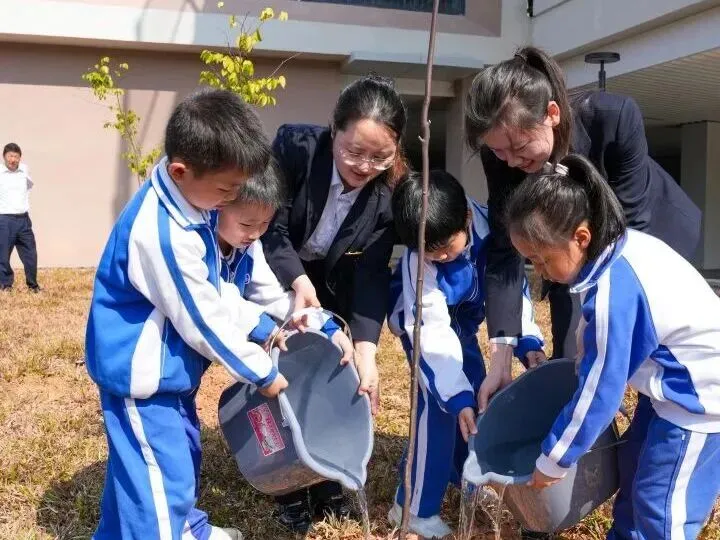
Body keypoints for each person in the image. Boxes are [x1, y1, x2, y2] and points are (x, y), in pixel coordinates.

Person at [85, 89, 288, 540]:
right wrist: (260, 371)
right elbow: (201, 319)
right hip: (141, 380)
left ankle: (180, 527)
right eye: (226, 189)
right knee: (160, 480)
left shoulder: (192, 204)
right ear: (181, 171)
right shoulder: (164, 233)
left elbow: (215, 291)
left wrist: (264, 324)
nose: (231, 198)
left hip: (169, 375)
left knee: (164, 464)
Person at [464, 46, 702, 415]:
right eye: (498, 152)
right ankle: (584, 437)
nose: (510, 161)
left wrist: (598, 331)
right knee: (571, 361)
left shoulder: (613, 119)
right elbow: (503, 248)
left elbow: (628, 236)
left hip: (651, 237)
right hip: (567, 250)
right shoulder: (502, 154)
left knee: (648, 355)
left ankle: (655, 422)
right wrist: (501, 356)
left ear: (552, 114)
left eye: (519, 147)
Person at [506, 154, 720, 540]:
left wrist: (553, 460)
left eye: (542, 259)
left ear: (580, 238)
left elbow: (600, 393)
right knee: (634, 472)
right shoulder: (620, 249)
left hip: (699, 402)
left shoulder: (615, 292)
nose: (540, 271)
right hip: (669, 390)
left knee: (660, 506)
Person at [262, 74, 409, 531]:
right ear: (333, 130)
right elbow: (270, 228)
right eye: (354, 151)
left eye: (380, 157)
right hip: (277, 275)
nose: (365, 166)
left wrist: (367, 349)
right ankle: (288, 484)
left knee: (332, 371)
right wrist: (297, 283)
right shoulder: (295, 149)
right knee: (280, 370)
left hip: (334, 286)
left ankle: (326, 475)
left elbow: (372, 273)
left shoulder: (389, 194)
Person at [385, 171, 544, 538]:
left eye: (446, 247)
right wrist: (453, 395)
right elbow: (431, 334)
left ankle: (461, 475)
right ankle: (412, 508)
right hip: (423, 329)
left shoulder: (495, 234)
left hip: (463, 325)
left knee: (476, 397)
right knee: (440, 407)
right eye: (430, 251)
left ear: (468, 219)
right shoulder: (418, 263)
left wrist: (527, 341)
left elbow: (511, 289)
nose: (440, 257)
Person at [215, 160, 354, 360]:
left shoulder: (249, 248)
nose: (255, 234)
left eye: (265, 223)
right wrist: (263, 326)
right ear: (217, 205)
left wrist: (326, 326)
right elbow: (215, 295)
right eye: (246, 224)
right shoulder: (198, 246)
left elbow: (272, 295)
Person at [0, 142, 40, 292]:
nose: (13, 159)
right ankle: (5, 285)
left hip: (23, 219)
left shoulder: (24, 170)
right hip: (4, 220)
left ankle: (33, 285)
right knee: (3, 255)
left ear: (20, 158)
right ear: (4, 156)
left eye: (16, 156)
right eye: (10, 156)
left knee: (30, 254)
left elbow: (28, 187)